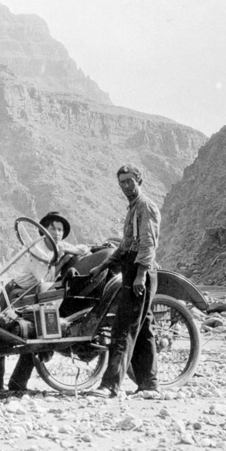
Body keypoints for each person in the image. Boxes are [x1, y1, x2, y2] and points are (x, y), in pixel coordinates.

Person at [0, 211, 89, 394]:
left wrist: (68, 251)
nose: (57, 233)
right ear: (45, 230)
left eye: (60, 229)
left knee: (33, 335)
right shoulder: (38, 250)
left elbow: (84, 249)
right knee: (2, 336)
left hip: (33, 295)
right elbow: (44, 280)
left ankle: (18, 383)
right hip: (16, 293)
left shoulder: (59, 246)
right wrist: (61, 261)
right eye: (53, 228)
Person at [88, 164, 159, 398]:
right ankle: (149, 386)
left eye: (130, 181)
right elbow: (125, 245)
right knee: (144, 329)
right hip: (131, 269)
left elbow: (148, 244)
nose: (126, 186)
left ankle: (111, 386)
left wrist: (139, 276)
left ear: (140, 180)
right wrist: (102, 265)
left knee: (123, 328)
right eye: (122, 183)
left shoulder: (145, 207)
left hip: (140, 272)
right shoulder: (132, 208)